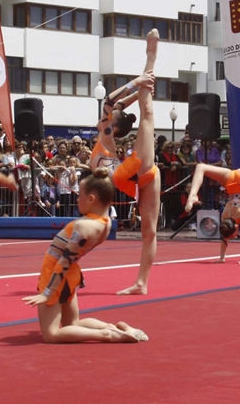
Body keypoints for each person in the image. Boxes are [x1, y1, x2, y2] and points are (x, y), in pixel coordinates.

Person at [22, 167, 148, 344]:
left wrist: (47, 292)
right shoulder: (106, 223)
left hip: (56, 272)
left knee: (51, 334)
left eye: (79, 194)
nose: (76, 198)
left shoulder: (84, 227)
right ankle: (114, 327)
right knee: (73, 323)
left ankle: (107, 334)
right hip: (71, 273)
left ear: (91, 199)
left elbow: (63, 262)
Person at [91, 29, 161, 296]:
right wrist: (141, 80)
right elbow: (112, 102)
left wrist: (143, 85)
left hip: (137, 178)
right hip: (122, 176)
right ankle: (150, 57)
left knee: (150, 232)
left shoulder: (108, 134)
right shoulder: (106, 133)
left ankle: (141, 282)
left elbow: (116, 102)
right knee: (148, 113)